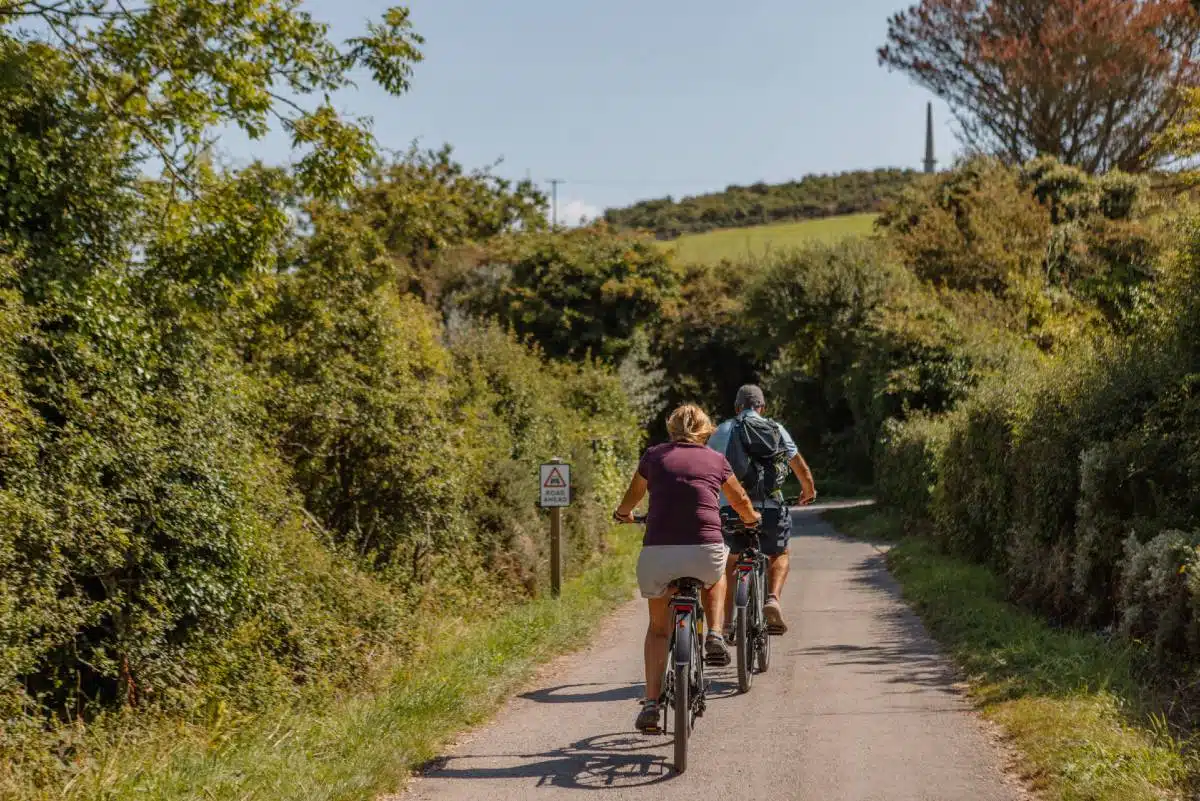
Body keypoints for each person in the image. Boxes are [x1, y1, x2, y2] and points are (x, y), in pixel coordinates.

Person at [614, 404, 762, 733]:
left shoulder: (653, 457)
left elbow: (633, 495)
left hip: (658, 556)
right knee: (717, 573)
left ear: (671, 428)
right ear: (706, 430)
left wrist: (623, 514)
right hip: (704, 551)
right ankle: (714, 634)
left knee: (657, 629)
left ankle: (652, 702)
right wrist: (752, 519)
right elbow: (739, 500)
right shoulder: (715, 460)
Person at [707, 384, 816, 636]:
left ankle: (726, 625)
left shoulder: (721, 431)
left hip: (731, 510)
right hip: (770, 509)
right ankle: (773, 599)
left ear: (737, 407)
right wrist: (808, 492)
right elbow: (799, 466)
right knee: (779, 553)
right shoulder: (776, 429)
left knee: (731, 561)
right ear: (762, 407)